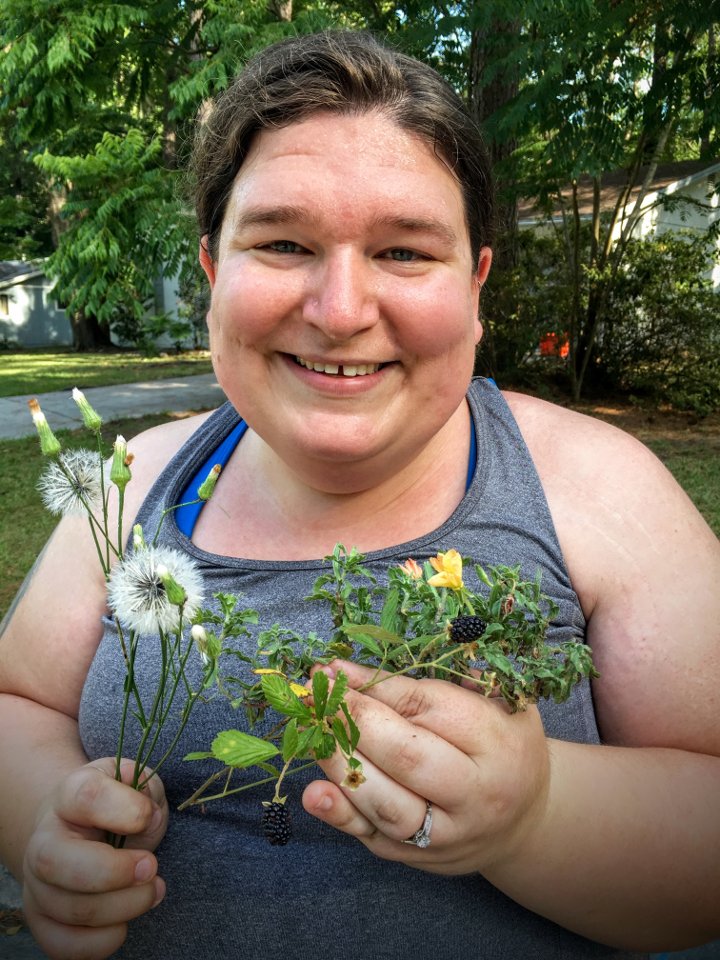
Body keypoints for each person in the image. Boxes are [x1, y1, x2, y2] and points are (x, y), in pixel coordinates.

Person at [0, 29, 718, 960]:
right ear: (216, 272)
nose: (340, 309)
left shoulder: (600, 484)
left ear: (475, 287)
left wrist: (537, 817)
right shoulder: (133, 482)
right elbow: (17, 706)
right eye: (285, 242)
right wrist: (46, 826)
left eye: (406, 253)